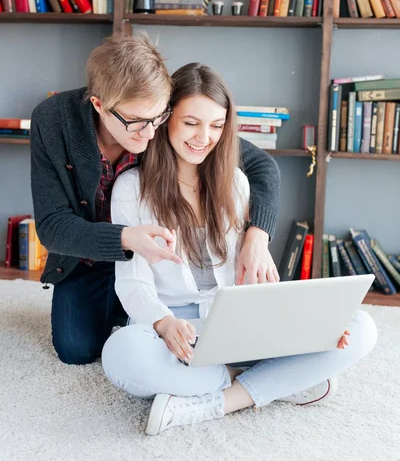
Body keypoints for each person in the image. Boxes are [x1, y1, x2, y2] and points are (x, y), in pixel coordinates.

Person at [102, 63, 377, 436]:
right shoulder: (131, 188)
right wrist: (164, 324)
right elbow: (132, 281)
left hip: (232, 324)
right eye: (191, 123)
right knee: (121, 353)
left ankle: (221, 400)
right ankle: (277, 381)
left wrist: (309, 327)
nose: (204, 137)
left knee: (360, 327)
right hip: (173, 328)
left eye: (216, 125)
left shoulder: (235, 184)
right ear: (166, 120)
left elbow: (250, 289)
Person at [30, 34, 281, 366]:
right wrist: (126, 238)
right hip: (88, 255)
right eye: (136, 122)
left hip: (155, 265)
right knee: (76, 348)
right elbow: (52, 226)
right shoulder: (52, 121)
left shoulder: (160, 113)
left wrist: (257, 236)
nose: (150, 134)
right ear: (99, 105)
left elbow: (261, 166)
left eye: (158, 119)